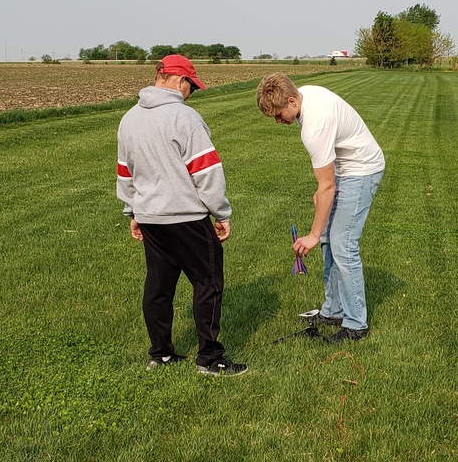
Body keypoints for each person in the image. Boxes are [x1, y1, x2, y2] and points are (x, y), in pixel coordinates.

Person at [117, 54, 247, 376]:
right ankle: (211, 358)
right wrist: (222, 212)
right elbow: (207, 171)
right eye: (192, 86)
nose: (191, 93)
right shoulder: (185, 118)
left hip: (150, 218)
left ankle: (160, 354)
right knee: (209, 282)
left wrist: (132, 210)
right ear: (179, 80)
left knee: (158, 287)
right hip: (187, 217)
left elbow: (125, 173)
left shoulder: (128, 119)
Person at [255, 72, 385, 343]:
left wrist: (313, 235)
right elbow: (326, 183)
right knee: (330, 240)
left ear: (291, 100)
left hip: (362, 170)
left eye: (279, 115)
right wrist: (323, 197)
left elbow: (327, 187)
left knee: (343, 244)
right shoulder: (307, 94)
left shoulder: (314, 127)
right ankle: (333, 310)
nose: (279, 122)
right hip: (344, 169)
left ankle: (355, 324)